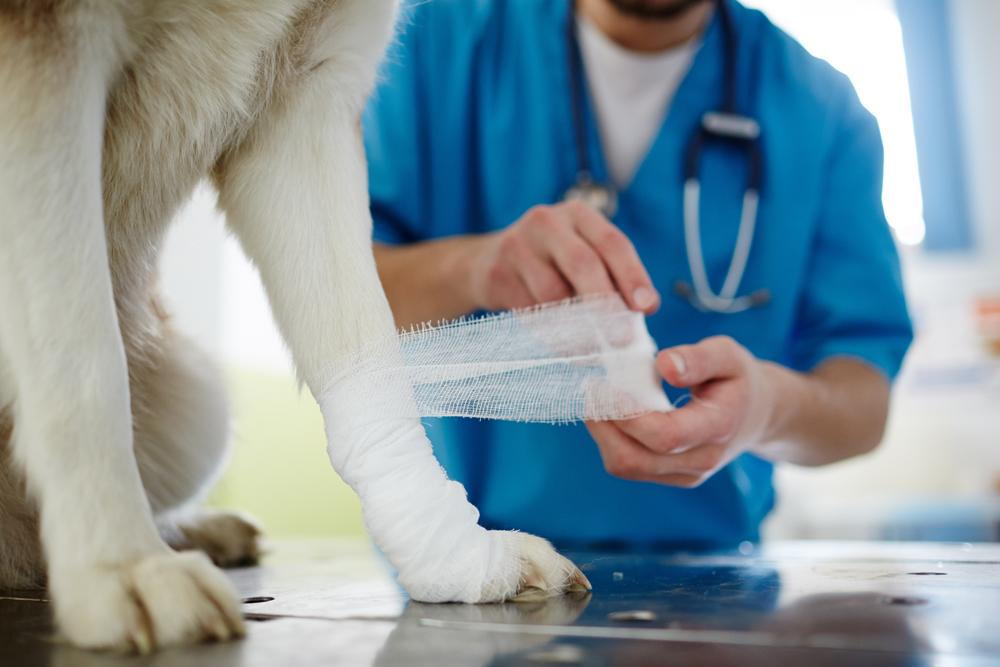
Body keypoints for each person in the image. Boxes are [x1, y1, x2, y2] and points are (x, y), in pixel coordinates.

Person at [364, 0, 912, 550]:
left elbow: (862, 400)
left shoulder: (821, 109)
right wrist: (475, 268)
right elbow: (327, 304)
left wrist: (768, 409)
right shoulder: (418, 45)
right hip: (468, 568)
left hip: (708, 589)